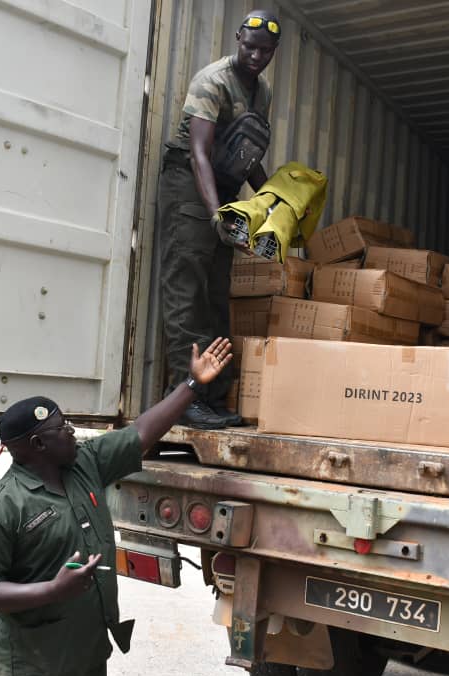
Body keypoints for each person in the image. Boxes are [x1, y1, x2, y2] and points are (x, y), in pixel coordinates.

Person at [0, 338, 234, 676]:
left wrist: (193, 384)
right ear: (38, 445)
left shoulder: (84, 463)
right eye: (61, 428)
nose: (71, 431)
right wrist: (52, 590)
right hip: (39, 675)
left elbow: (141, 433)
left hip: (89, 661)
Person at [158, 10, 280, 429]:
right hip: (191, 187)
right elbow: (199, 153)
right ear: (237, 39)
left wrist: (272, 204)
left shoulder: (262, 92)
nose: (255, 56)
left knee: (213, 297)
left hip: (223, 191)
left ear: (273, 53)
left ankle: (208, 397)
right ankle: (183, 399)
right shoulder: (212, 80)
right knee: (185, 291)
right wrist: (215, 214)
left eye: (264, 51)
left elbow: (248, 155)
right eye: (249, 46)